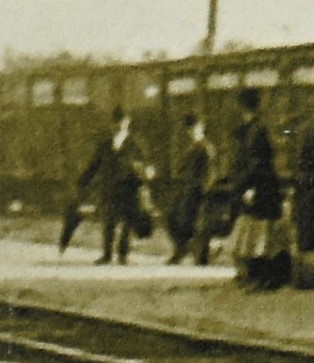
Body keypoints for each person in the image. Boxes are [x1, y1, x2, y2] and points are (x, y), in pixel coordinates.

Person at [226, 89, 288, 288]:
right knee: (257, 235)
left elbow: (256, 162)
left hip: (259, 188)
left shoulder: (255, 130)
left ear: (244, 108)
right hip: (262, 187)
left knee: (260, 235)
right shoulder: (255, 128)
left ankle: (263, 278)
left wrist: (248, 186)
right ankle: (256, 276)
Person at [74, 110, 148, 266]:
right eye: (118, 122)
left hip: (129, 189)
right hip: (110, 190)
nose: (121, 125)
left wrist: (143, 175)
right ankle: (107, 255)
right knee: (109, 222)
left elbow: (145, 164)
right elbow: (94, 165)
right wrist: (83, 181)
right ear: (113, 124)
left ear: (128, 123)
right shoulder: (105, 145)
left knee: (127, 223)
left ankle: (123, 254)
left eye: (124, 122)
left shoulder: (135, 144)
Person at [163, 114, 216, 265]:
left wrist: (201, 188)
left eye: (195, 128)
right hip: (188, 190)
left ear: (201, 128)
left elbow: (209, 173)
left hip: (199, 192)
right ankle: (182, 248)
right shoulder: (192, 148)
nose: (192, 132)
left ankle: (189, 250)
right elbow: (183, 170)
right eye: (190, 130)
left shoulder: (206, 148)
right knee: (171, 216)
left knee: (188, 219)